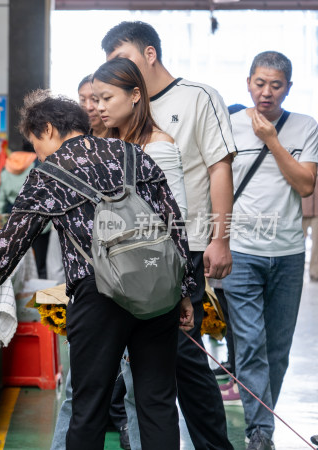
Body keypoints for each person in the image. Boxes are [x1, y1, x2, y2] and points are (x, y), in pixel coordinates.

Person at [0, 90, 195, 449]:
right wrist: (183, 290)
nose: (36, 153)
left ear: (50, 129)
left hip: (98, 295)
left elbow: (11, 242)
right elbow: (173, 222)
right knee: (158, 400)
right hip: (156, 288)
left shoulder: (49, 174)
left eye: (35, 141)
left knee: (89, 405)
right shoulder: (134, 154)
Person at [103, 21, 236, 450]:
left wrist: (220, 238)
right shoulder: (122, 106)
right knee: (143, 359)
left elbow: (219, 167)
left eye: (122, 59)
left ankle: (214, 445)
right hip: (131, 253)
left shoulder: (199, 97)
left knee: (182, 355)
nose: (116, 72)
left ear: (149, 54)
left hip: (186, 247)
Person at [50, 57, 190, 450]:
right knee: (136, 396)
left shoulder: (156, 148)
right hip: (117, 279)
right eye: (93, 99)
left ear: (135, 96)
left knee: (147, 397)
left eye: (105, 97)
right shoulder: (117, 147)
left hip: (144, 281)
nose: (97, 106)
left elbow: (173, 222)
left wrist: (183, 288)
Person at [222, 51, 317, 450]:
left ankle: (261, 422)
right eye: (260, 83)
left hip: (290, 253)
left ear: (288, 88)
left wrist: (272, 141)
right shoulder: (228, 126)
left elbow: (306, 185)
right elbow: (218, 185)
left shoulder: (305, 127)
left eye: (275, 85)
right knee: (249, 344)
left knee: (277, 350)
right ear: (248, 83)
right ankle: (260, 431)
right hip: (242, 250)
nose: (266, 92)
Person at [0, 141, 52, 278]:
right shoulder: (38, 164)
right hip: (38, 218)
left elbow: (2, 195)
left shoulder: (8, 165)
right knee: (40, 259)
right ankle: (39, 288)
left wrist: (0, 213)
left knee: (15, 257)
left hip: (15, 216)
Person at [303, 178, 318, 281]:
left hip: (317, 213)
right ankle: (297, 269)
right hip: (301, 210)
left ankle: (315, 272)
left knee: (316, 244)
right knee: (297, 242)